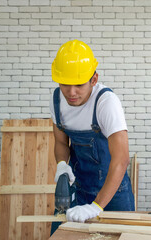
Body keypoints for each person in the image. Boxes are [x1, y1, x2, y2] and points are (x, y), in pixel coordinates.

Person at [49, 39, 134, 234]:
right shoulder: (56, 100)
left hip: (113, 193)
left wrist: (96, 206)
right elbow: (61, 142)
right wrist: (62, 164)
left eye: (79, 85)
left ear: (93, 79)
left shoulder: (106, 103)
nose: (71, 93)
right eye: (65, 84)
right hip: (79, 188)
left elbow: (121, 160)